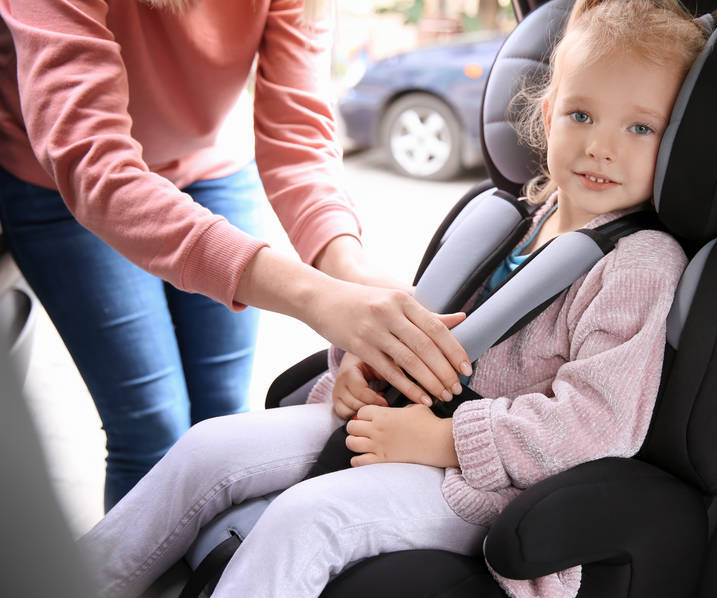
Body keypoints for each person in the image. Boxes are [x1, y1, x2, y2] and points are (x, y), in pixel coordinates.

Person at [77, 0, 714, 598]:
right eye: (580, 115)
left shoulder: (638, 266)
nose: (599, 146)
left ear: (675, 144)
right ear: (547, 109)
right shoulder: (511, 219)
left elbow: (598, 425)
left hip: (488, 483)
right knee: (207, 447)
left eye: (639, 128)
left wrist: (441, 440)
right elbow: (411, 322)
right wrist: (360, 367)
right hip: (399, 424)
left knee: (307, 520)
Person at [0, 0, 470, 510]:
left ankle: (205, 588)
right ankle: (130, 591)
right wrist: (319, 300)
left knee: (225, 420)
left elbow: (296, 133)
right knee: (150, 427)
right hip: (65, 189)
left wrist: (350, 276)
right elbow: (95, 166)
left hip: (211, 164)